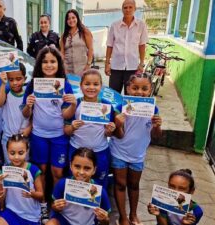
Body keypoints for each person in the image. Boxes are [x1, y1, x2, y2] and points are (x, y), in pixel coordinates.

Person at [22, 46, 76, 223]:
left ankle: (56, 205)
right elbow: (25, 114)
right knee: (42, 171)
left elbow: (67, 115)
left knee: (58, 172)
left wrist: (71, 105)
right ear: (39, 64)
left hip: (59, 135)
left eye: (53, 61)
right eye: (45, 61)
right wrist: (28, 105)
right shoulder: (33, 85)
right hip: (38, 135)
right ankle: (44, 205)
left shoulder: (64, 84)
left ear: (58, 64)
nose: (49, 65)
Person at [110, 73, 162, 225]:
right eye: (135, 88)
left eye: (144, 88)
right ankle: (123, 217)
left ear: (150, 89)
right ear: (128, 89)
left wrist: (158, 125)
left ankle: (133, 214)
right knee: (120, 184)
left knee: (134, 185)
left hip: (138, 154)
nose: (140, 92)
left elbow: (156, 136)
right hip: (119, 152)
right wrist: (118, 124)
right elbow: (118, 135)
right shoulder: (121, 107)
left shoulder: (153, 109)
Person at [64, 69, 117, 189]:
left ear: (101, 86)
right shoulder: (75, 104)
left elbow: (109, 134)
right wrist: (72, 127)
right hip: (76, 150)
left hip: (100, 151)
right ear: (81, 85)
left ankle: (97, 206)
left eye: (95, 84)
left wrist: (110, 130)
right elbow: (66, 130)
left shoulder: (106, 106)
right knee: (75, 181)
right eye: (87, 84)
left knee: (99, 183)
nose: (91, 87)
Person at [47, 148, 110, 225]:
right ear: (71, 166)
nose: (81, 172)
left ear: (94, 170)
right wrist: (55, 207)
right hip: (65, 221)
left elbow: (106, 221)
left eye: (87, 168)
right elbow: (53, 208)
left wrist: (104, 219)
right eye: (77, 166)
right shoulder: (62, 184)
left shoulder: (100, 192)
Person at [0, 134, 44, 225]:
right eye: (12, 153)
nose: (16, 157)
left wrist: (32, 194)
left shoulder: (33, 170)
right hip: (11, 212)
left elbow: (41, 195)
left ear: (27, 151)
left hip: (31, 215)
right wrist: (0, 183)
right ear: (7, 151)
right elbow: (0, 199)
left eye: (21, 153)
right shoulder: (5, 170)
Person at [105, 0, 148, 94]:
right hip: (116, 66)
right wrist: (107, 63)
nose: (127, 10)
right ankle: (115, 109)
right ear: (122, 9)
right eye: (125, 7)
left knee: (131, 94)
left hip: (132, 66)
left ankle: (127, 109)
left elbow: (142, 45)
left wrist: (141, 63)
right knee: (113, 94)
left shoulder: (141, 25)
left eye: (130, 7)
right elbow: (109, 45)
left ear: (135, 9)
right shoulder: (115, 25)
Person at [0, 63, 31, 163]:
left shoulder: (29, 94)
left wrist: (29, 128)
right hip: (8, 137)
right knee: (10, 166)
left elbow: (35, 115)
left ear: (25, 78)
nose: (15, 83)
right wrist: (3, 83)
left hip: (24, 138)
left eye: (18, 79)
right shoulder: (6, 92)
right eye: (11, 80)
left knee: (24, 166)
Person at [60, 9, 93, 76]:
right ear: (66, 21)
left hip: (82, 69)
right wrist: (63, 67)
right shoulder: (64, 36)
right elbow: (62, 53)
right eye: (69, 19)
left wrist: (88, 65)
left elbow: (90, 49)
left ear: (77, 18)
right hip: (67, 70)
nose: (71, 20)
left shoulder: (85, 32)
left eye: (73, 18)